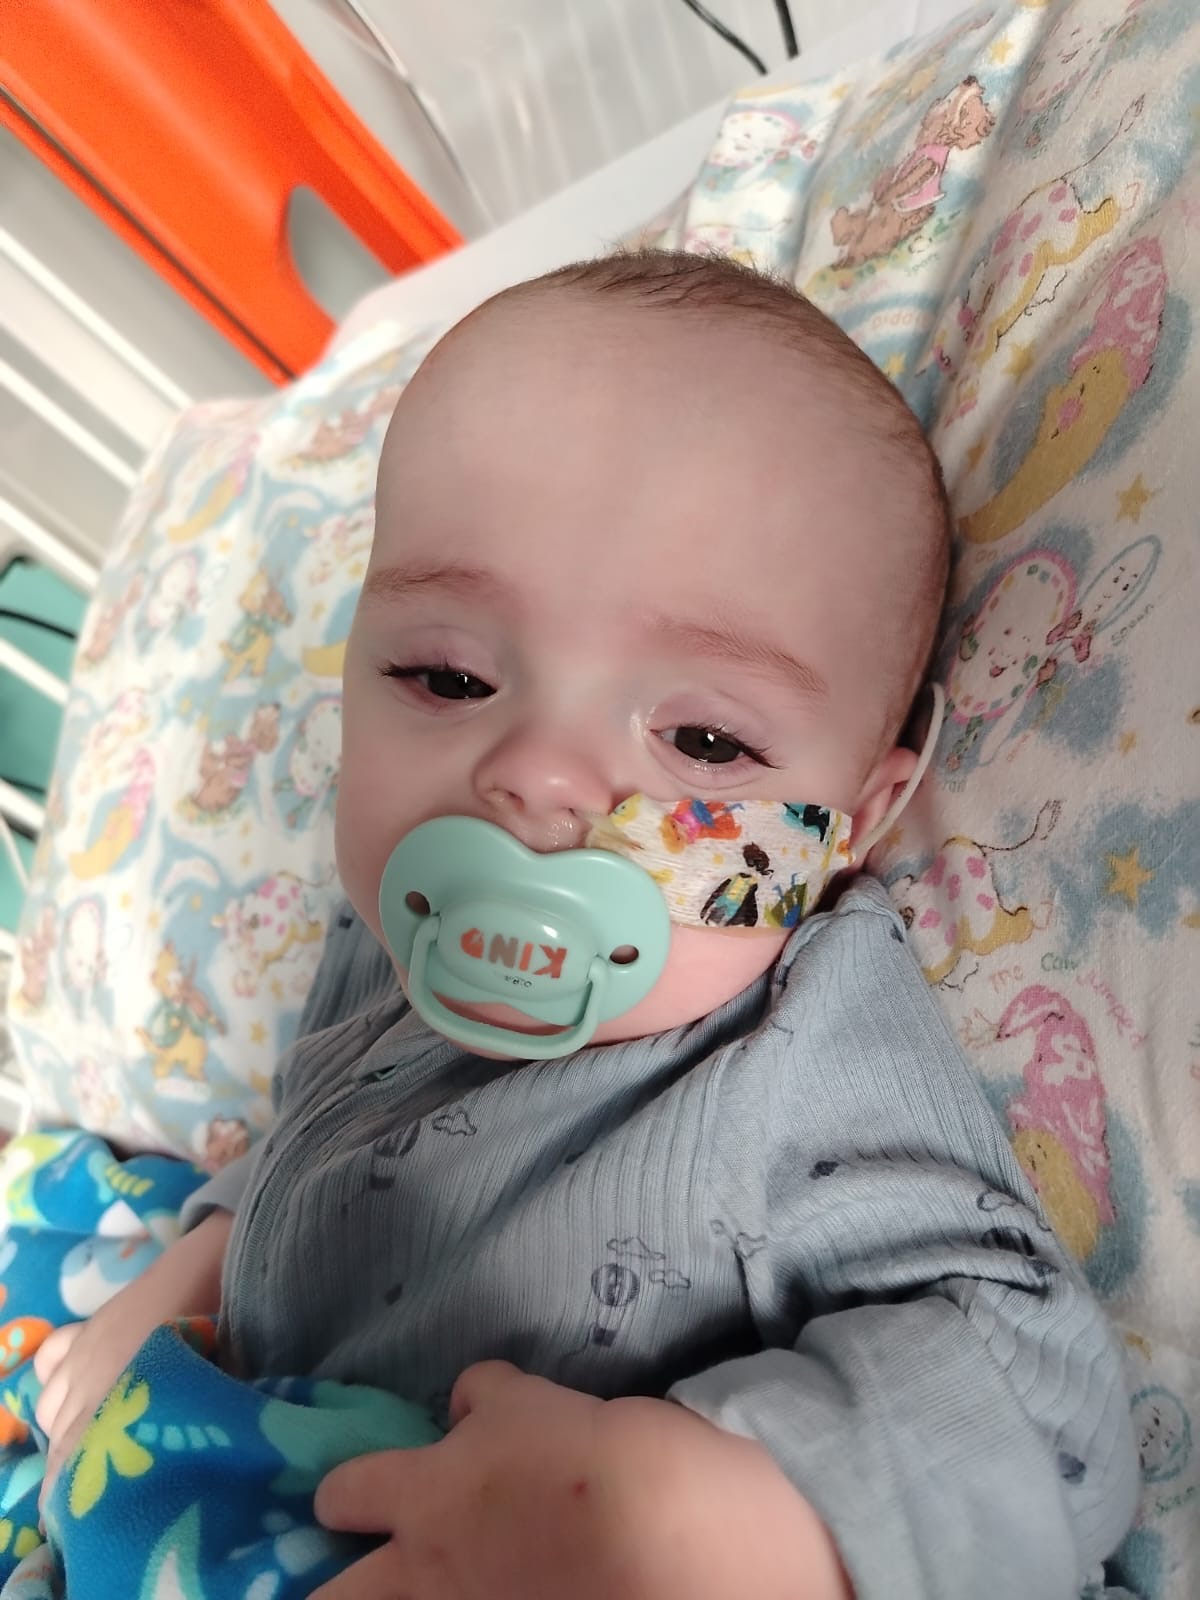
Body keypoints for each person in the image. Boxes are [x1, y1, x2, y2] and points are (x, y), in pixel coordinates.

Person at [33, 251, 1137, 1599]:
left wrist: (695, 1525)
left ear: (854, 819)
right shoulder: (387, 939)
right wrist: (199, 1259)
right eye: (448, 676)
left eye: (706, 741)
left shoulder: (796, 1036)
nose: (540, 778)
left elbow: (1044, 1398)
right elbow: (315, 1140)